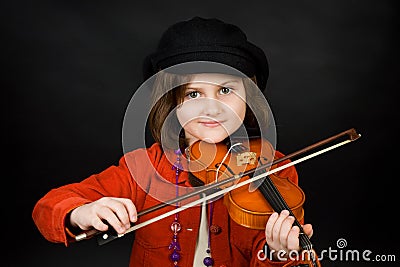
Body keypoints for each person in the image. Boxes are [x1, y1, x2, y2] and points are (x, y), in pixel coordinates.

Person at [32, 16, 321, 267]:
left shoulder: (273, 167)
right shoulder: (146, 167)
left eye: (225, 89)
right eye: (193, 94)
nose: (212, 107)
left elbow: (283, 259)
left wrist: (279, 252)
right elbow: (48, 207)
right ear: (172, 104)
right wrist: (81, 212)